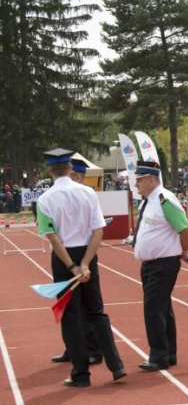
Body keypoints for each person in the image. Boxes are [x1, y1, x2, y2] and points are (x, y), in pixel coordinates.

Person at [37, 148, 125, 387]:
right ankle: (116, 365)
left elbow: (54, 238)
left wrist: (72, 267)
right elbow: (99, 231)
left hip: (64, 258)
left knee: (71, 316)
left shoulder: (45, 199)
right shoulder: (88, 193)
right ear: (70, 168)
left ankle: (81, 374)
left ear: (49, 170)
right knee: (96, 311)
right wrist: (85, 263)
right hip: (88, 253)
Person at [132, 160, 188, 371]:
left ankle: (159, 357)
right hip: (152, 264)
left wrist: (184, 251)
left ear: (151, 180)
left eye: (139, 180)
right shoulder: (150, 201)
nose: (136, 184)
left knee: (153, 309)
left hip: (163, 264)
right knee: (162, 309)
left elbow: (185, 230)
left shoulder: (164, 200)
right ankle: (168, 353)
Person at [49, 156, 104, 365]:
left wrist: (82, 263)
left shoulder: (86, 194)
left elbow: (96, 230)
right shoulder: (59, 195)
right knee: (69, 306)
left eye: (78, 176)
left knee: (88, 305)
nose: (75, 179)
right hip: (68, 254)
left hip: (81, 252)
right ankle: (72, 348)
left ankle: (92, 349)